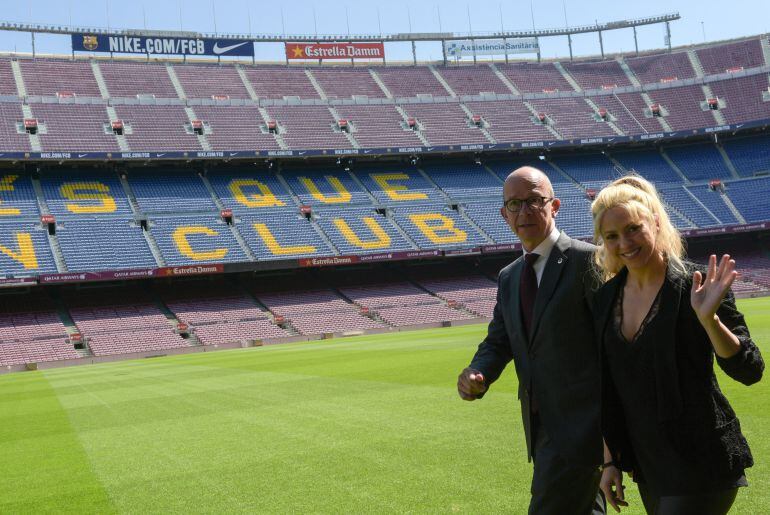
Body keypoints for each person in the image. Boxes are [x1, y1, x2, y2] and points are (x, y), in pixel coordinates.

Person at [591, 175, 764, 514]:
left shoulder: (697, 284)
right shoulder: (604, 300)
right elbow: (606, 388)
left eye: (633, 228)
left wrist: (709, 320)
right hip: (647, 465)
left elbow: (749, 369)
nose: (624, 242)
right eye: (612, 236)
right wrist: (609, 462)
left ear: (655, 222)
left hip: (700, 459)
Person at [457, 166, 605, 514]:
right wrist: (478, 372)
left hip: (582, 425)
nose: (524, 211)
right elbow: (499, 340)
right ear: (503, 213)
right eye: (514, 204)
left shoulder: (588, 261)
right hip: (540, 425)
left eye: (534, 201)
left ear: (554, 205)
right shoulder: (510, 277)